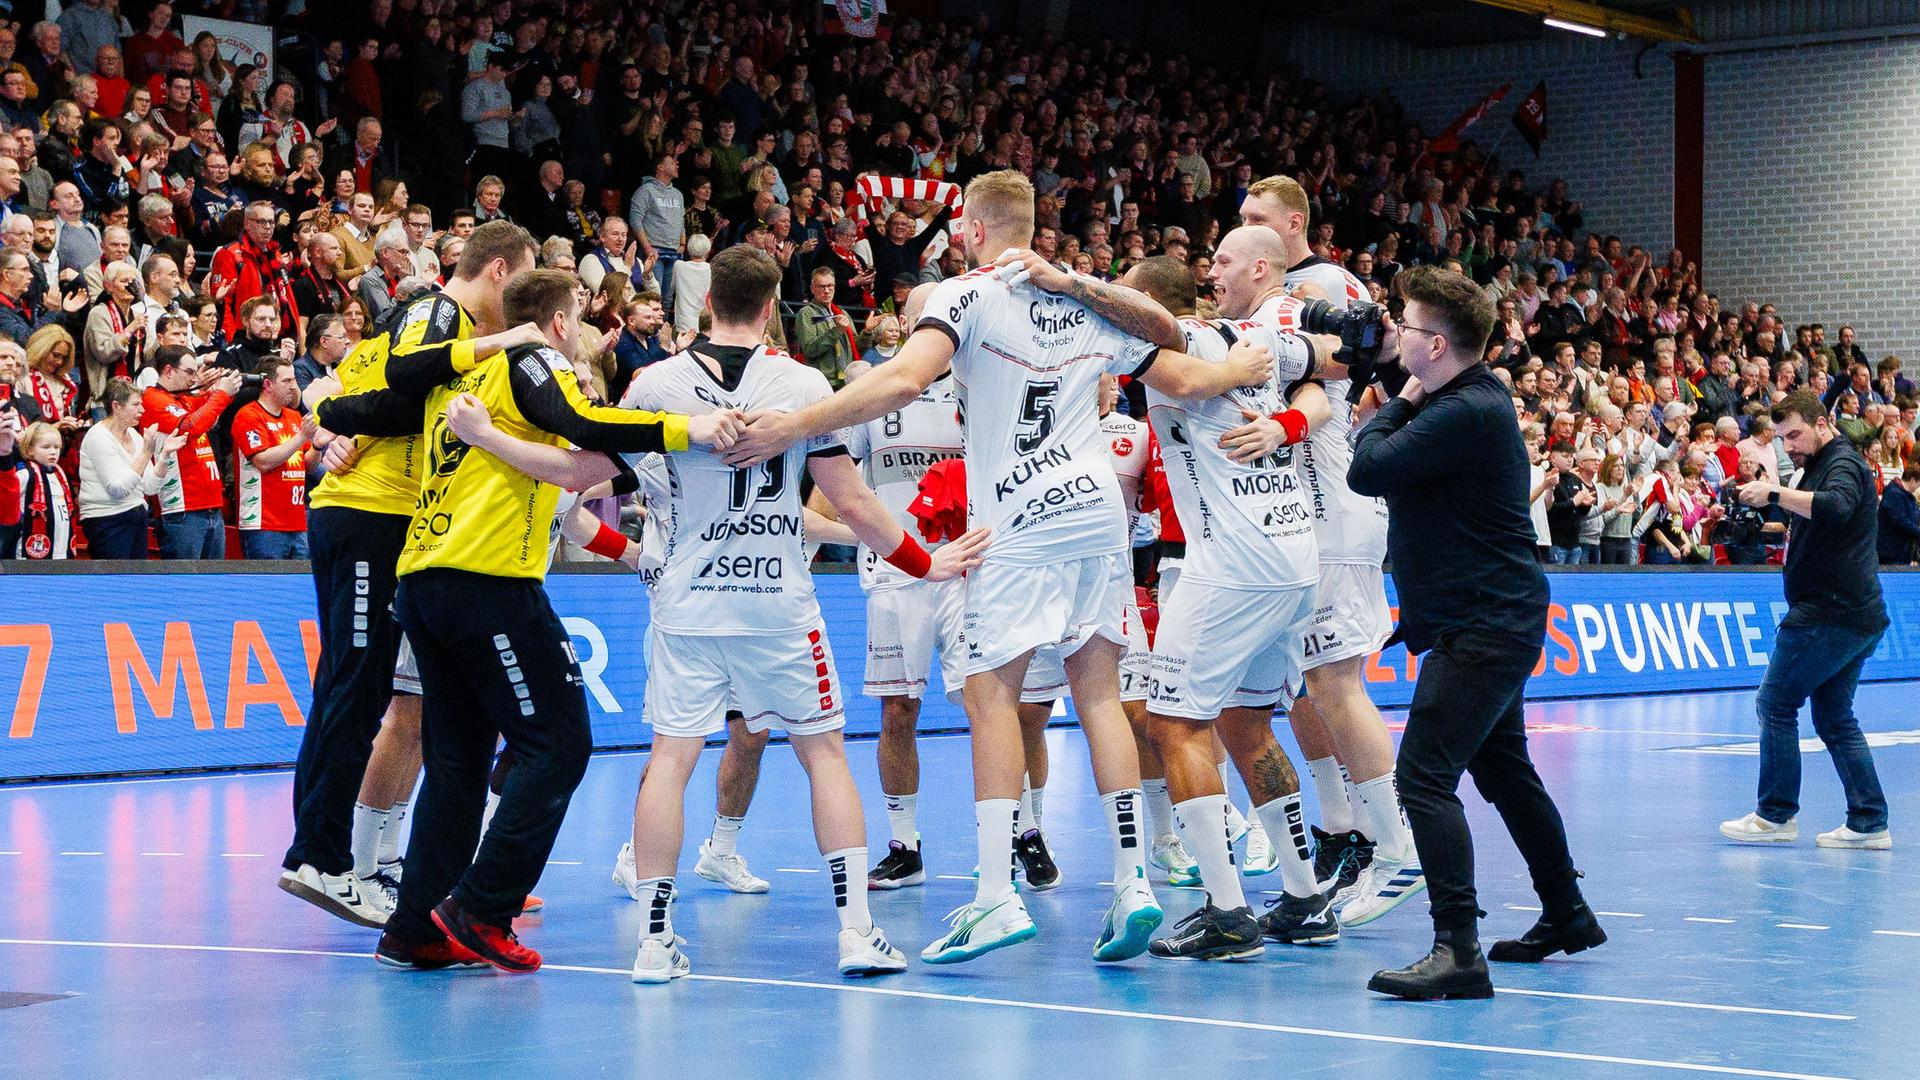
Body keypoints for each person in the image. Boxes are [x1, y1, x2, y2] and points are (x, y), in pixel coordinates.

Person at [725, 169, 1274, 966]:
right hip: (1096, 520)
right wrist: (1243, 369)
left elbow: (906, 379)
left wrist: (796, 425)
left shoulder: (965, 295)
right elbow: (1184, 368)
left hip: (1016, 526)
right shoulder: (1090, 298)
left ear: (975, 231)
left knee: (992, 699)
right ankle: (1132, 883)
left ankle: (992, 896)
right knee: (1098, 698)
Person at [602, 247, 985, 982]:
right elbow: (854, 503)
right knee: (824, 753)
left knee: (669, 760)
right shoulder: (805, 382)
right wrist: (926, 562)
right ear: (773, 305)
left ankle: (655, 942)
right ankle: (855, 932)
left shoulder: (653, 382)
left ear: (707, 298)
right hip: (777, 602)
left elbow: (593, 476)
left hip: (686, 604)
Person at [337, 268, 735, 973]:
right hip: (485, 580)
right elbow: (584, 430)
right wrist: (687, 428)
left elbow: (572, 480)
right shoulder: (530, 358)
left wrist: (330, 418)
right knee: (557, 742)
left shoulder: (453, 384)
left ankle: (415, 930)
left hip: (426, 580)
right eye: (578, 315)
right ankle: (481, 906)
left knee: (458, 763)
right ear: (558, 321)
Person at [280, 222, 548, 930]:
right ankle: (323, 857)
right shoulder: (441, 314)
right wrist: (329, 415)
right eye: (515, 286)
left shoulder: (423, 331)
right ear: (496, 271)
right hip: (369, 512)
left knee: (349, 679)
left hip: (381, 516)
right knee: (359, 682)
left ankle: (325, 853)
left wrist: (329, 415)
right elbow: (401, 390)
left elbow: (386, 394)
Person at [1349, 266, 1602, 1000]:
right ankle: (1567, 912)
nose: (1396, 333)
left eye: (1406, 325)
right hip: (1495, 614)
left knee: (1424, 778)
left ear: (1434, 344)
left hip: (1485, 623)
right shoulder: (1468, 398)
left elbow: (1369, 468)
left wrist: (1398, 399)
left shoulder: (1464, 409)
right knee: (1502, 770)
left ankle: (1457, 949)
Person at [1114, 247, 1343, 959]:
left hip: (1232, 564)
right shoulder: (1253, 340)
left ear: (1152, 304)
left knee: (1172, 724)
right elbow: (1333, 364)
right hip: (1293, 559)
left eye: (1127, 298)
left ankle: (1226, 909)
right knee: (1246, 723)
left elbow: (1187, 376)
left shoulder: (1167, 346)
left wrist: (1274, 408)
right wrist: (1276, 398)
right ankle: (1305, 896)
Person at [1239, 176, 1412, 919]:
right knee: (1309, 684)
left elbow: (1361, 358)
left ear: (1294, 224)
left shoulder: (1320, 285)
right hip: (1292, 519)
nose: (1246, 230)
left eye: (1258, 219)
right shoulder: (1266, 296)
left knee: (1334, 682)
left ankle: (1398, 847)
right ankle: (1346, 827)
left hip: (1333, 508)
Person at [1720, 392, 1891, 850]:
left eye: (1795, 434)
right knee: (1835, 717)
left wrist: (1774, 491)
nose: (1788, 445)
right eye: (1780, 438)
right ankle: (1869, 822)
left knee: (1775, 703)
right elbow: (1818, 520)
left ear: (1822, 423)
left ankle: (1775, 815)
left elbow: (1834, 506)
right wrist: (1766, 516)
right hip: (1854, 612)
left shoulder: (1843, 465)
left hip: (1830, 612)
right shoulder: (1816, 466)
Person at [140, 345, 240, 559]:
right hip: (182, 509)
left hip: (210, 505)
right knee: (184, 584)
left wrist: (221, 386)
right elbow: (192, 426)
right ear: (168, 371)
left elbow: (212, 408)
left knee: (213, 584)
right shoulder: (153, 399)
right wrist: (220, 393)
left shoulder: (183, 398)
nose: (194, 378)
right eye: (189, 372)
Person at [78, 375, 174, 558]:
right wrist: (146, 453)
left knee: (135, 583)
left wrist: (165, 456)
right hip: (107, 520)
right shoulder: (98, 436)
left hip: (136, 515)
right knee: (114, 583)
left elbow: (150, 487)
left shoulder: (135, 435)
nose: (142, 410)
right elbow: (117, 489)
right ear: (116, 406)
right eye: (135, 405)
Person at [232, 356, 313, 559]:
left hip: (297, 523)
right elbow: (263, 461)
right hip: (263, 523)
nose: (293, 387)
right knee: (265, 588)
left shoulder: (294, 417)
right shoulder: (248, 415)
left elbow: (308, 465)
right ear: (267, 384)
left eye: (294, 380)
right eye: (287, 381)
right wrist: (302, 436)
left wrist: (318, 444)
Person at [793, 266, 856, 387]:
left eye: (830, 286)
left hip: (845, 381)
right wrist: (836, 331)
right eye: (821, 286)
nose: (827, 291)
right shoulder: (806, 313)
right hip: (822, 381)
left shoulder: (841, 312)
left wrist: (868, 332)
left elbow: (855, 347)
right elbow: (810, 349)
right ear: (812, 288)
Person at [1878, 462, 1920, 565]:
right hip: (1890, 552)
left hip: (1903, 551)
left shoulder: (1907, 495)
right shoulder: (1894, 494)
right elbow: (1901, 521)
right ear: (1912, 480)